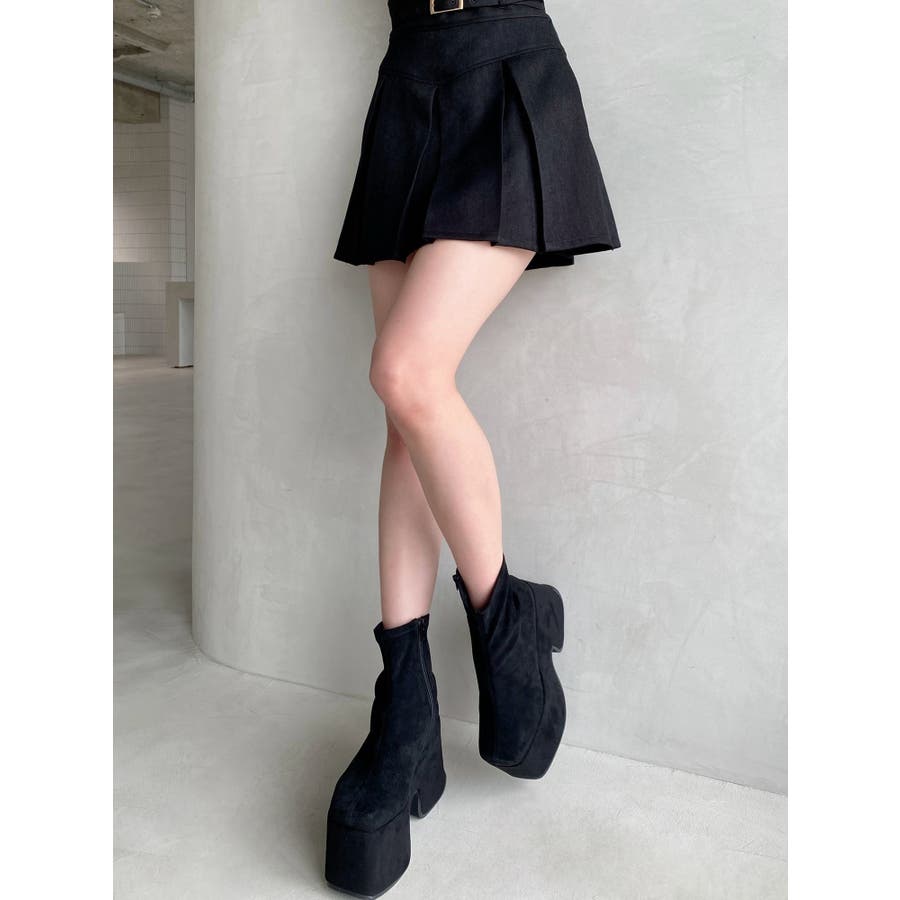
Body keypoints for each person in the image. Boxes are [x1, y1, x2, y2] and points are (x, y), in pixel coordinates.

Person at [326, 1, 620, 896]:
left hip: (504, 66)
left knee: (406, 372)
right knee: (404, 413)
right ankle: (405, 716)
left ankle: (507, 614)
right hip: (407, 80)